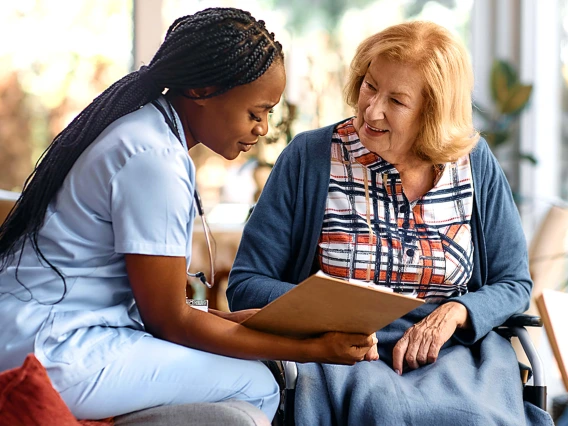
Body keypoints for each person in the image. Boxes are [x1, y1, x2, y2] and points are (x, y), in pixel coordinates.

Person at [0, 7, 378, 421]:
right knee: (257, 384)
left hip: (45, 334)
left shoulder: (147, 133)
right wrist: (311, 351)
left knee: (254, 371)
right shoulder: (154, 158)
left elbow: (163, 311)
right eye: (256, 112)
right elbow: (170, 323)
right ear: (202, 90)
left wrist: (256, 323)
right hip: (54, 351)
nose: (263, 128)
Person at [227, 21, 554, 425]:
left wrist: (456, 311)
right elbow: (246, 285)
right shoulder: (310, 157)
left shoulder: (474, 162)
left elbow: (513, 282)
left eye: (397, 101)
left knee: (473, 417)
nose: (372, 109)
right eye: (369, 85)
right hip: (340, 353)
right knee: (382, 410)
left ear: (432, 113)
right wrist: (334, 310)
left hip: (454, 353)